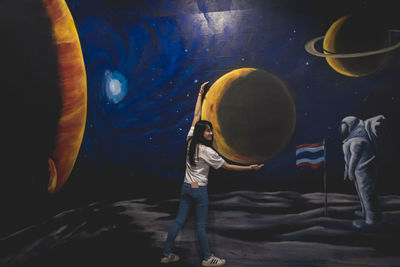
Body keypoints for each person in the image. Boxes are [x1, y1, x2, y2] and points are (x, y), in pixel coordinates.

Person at [161, 81, 264, 266]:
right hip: (199, 191)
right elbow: (228, 166)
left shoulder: (190, 140)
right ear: (203, 133)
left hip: (186, 188)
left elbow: (196, 115)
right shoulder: (208, 152)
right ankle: (208, 259)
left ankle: (167, 254)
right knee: (200, 226)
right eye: (208, 130)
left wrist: (200, 94)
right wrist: (250, 168)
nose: (211, 132)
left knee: (178, 221)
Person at [340, 116, 381, 229]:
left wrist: (351, 171)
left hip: (365, 169)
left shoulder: (358, 139)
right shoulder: (352, 139)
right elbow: (348, 158)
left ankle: (372, 220)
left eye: (346, 127)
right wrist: (347, 170)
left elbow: (355, 157)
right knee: (361, 192)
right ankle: (365, 213)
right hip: (360, 171)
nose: (344, 130)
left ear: (352, 126)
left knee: (367, 194)